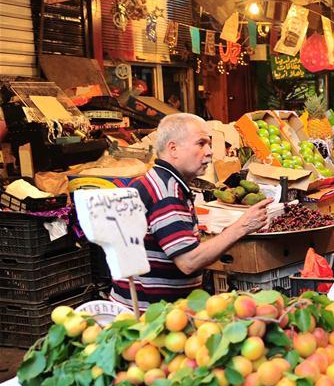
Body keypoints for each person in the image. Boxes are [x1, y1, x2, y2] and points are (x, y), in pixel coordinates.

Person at [111, 114, 271, 310]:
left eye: (209, 144)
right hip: (150, 319)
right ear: (173, 149)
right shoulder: (166, 193)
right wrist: (242, 226)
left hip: (155, 312)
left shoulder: (157, 181)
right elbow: (188, 261)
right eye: (201, 144)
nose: (210, 152)